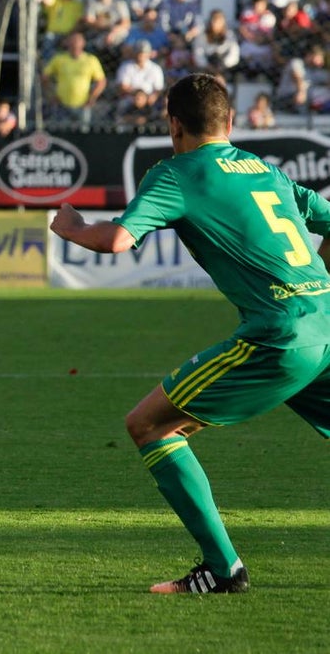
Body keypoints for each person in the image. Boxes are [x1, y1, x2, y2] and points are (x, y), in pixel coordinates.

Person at [49, 72, 330, 594]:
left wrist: (70, 228)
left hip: (281, 334)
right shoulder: (266, 171)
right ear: (229, 121)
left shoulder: (176, 174)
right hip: (327, 320)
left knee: (149, 425)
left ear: (173, 125)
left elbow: (115, 241)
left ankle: (224, 571)